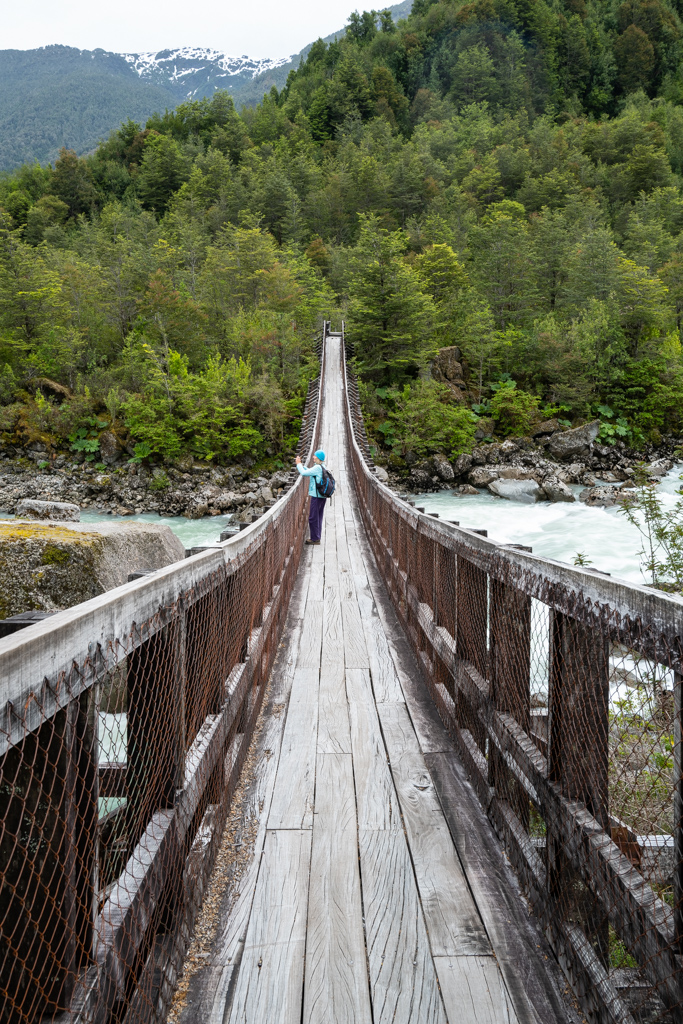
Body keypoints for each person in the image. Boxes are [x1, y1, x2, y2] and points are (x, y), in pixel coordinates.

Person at [296, 449, 327, 545]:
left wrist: (298, 464)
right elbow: (309, 471)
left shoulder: (317, 468)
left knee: (313, 517)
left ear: (318, 458)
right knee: (318, 516)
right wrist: (303, 466)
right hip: (322, 496)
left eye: (314, 456)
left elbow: (304, 473)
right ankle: (316, 537)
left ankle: (314, 539)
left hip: (317, 496)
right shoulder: (322, 466)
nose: (313, 457)